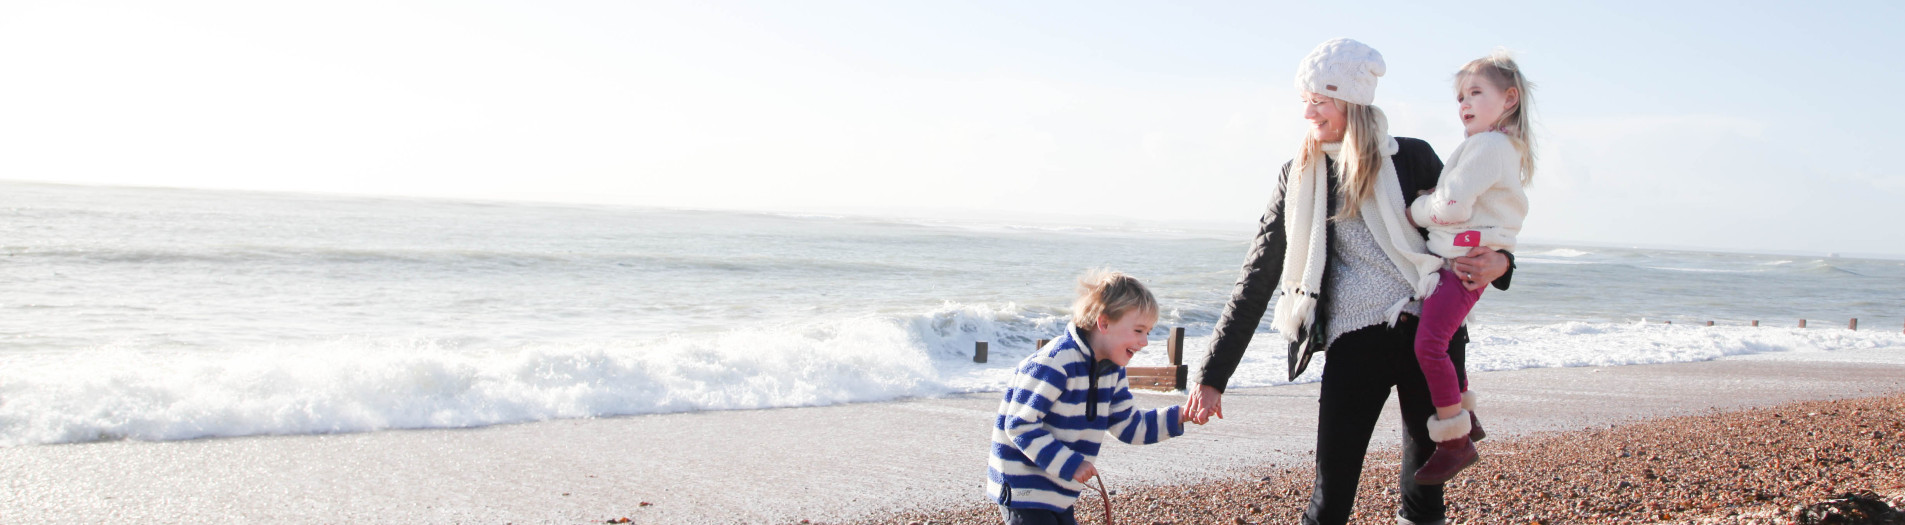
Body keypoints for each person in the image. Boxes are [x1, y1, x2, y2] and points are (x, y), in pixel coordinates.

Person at [1183, 38, 1515, 525]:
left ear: (1351, 101)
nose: (1308, 114)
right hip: (1353, 343)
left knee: (1424, 496)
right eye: (1305, 102)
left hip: (1430, 335)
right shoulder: (1298, 177)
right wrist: (1213, 376)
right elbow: (1257, 275)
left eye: (1319, 101)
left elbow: (1477, 221)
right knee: (1330, 494)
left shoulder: (1413, 158)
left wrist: (1503, 262)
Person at [1405, 50, 1537, 485]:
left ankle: (1454, 440)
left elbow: (1452, 207)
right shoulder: (1488, 146)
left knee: (1430, 345)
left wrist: (1417, 210)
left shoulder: (1490, 145)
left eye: (1476, 92)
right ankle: (1468, 414)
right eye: (1460, 95)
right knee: (1443, 337)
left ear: (1509, 99)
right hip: (1463, 260)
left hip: (1463, 265)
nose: (1464, 102)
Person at [986, 269, 1192, 525]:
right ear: (1104, 323)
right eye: (1139, 330)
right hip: (1024, 489)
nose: (1145, 342)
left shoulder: (1112, 371)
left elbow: (1130, 427)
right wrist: (1071, 464)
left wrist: (1183, 415)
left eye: (1148, 332)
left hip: (1060, 492)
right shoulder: (1055, 363)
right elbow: (1019, 425)